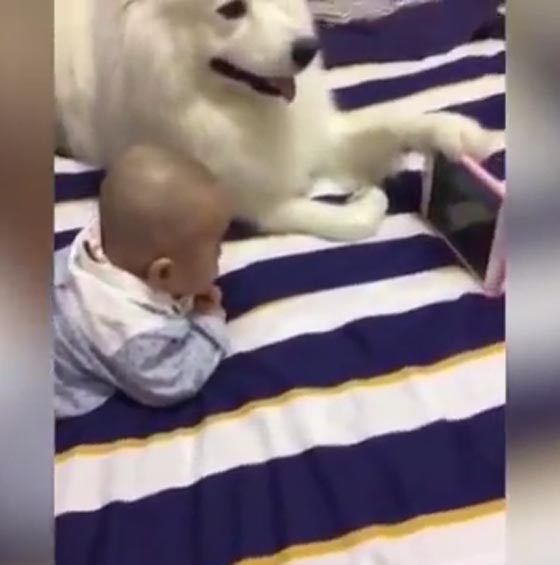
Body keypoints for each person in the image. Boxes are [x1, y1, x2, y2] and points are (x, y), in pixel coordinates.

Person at [54, 144, 232, 418]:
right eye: (216, 249)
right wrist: (209, 321)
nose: (222, 253)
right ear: (163, 274)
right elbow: (172, 382)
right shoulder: (129, 332)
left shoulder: (99, 243)